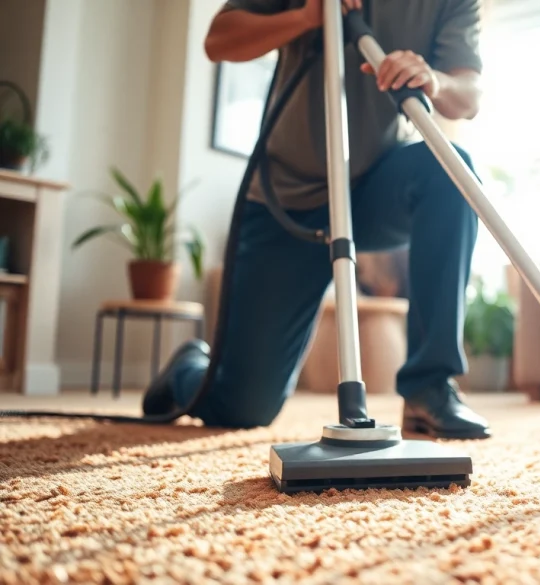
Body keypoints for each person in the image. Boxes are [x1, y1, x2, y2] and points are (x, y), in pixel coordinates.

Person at [140, 0, 492, 439]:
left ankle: (429, 388)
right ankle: (190, 370)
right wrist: (305, 18)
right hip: (284, 200)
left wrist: (433, 79)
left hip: (370, 188)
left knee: (449, 168)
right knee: (242, 406)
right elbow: (219, 40)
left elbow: (469, 94)